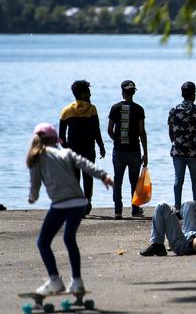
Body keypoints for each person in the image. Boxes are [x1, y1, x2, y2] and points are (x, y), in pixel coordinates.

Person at [27, 123, 113, 295]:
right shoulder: (65, 152)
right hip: (80, 203)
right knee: (69, 239)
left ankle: (55, 280)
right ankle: (77, 281)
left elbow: (35, 185)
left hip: (61, 204)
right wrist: (104, 176)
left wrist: (32, 197)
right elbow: (86, 164)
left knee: (43, 242)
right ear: (55, 140)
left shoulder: (37, 156)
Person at [59, 80, 106, 216]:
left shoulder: (66, 111)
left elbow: (61, 135)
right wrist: (101, 146)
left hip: (72, 151)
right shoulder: (92, 109)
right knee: (88, 177)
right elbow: (96, 130)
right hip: (88, 150)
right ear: (83, 93)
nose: (90, 94)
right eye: (88, 92)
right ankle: (87, 201)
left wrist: (66, 148)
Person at [108, 80, 148, 219]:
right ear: (133, 92)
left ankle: (117, 211)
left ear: (122, 92)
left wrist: (117, 141)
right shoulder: (139, 109)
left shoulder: (115, 108)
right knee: (134, 181)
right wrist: (145, 152)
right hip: (134, 150)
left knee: (117, 180)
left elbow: (109, 130)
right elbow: (142, 131)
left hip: (118, 151)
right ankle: (135, 209)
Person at [168, 81, 196, 218]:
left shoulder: (173, 110)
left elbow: (170, 131)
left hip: (178, 151)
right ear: (194, 94)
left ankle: (177, 207)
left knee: (178, 179)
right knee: (195, 180)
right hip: (193, 152)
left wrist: (175, 143)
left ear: (182, 94)